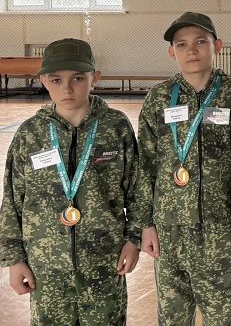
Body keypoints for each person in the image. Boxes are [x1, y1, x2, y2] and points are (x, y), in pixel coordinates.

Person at [0, 39, 142, 325]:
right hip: (46, 268)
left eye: (77, 78)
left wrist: (134, 239)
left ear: (95, 78)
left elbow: (137, 189)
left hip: (104, 263)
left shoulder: (115, 127)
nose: (67, 89)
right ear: (43, 80)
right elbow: (12, 200)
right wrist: (14, 259)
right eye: (56, 80)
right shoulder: (30, 134)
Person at [137, 12, 231, 325]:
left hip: (221, 228)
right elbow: (145, 164)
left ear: (217, 46)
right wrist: (145, 223)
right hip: (169, 230)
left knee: (223, 317)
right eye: (181, 44)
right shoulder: (159, 97)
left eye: (200, 41)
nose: (191, 50)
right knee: (173, 317)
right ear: (172, 52)